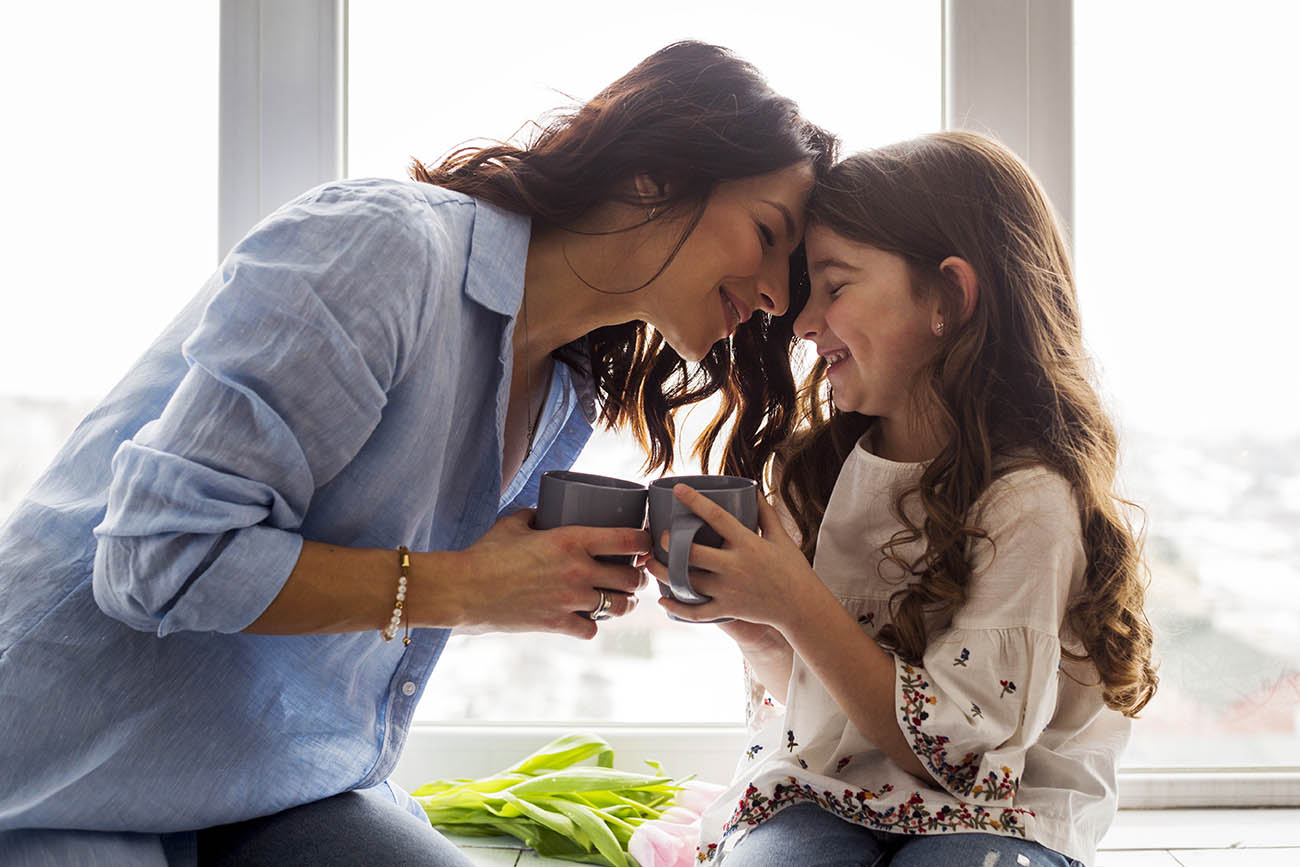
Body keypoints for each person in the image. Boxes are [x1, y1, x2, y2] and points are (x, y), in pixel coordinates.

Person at [0, 41, 834, 865]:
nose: (770, 296)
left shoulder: (563, 394)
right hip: (63, 773)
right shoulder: (386, 251)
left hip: (268, 781)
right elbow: (157, 555)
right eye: (766, 234)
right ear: (656, 174)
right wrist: (468, 587)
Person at [649, 131, 1158, 867]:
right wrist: (754, 624)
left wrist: (795, 600)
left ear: (949, 295)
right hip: (831, 790)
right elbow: (823, 695)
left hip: (1000, 812)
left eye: (837, 285)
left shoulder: (1030, 502)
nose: (802, 321)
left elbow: (966, 760)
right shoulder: (816, 472)